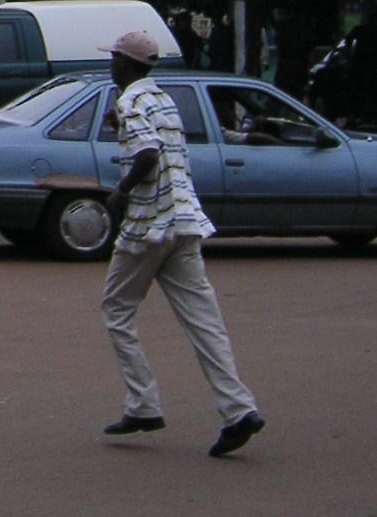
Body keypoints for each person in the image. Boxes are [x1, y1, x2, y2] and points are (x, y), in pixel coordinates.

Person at [98, 29, 265, 458]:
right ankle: (238, 409)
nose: (110, 65)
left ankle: (143, 404)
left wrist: (120, 193)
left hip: (148, 225)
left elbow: (148, 154)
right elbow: (160, 143)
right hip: (185, 220)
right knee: (205, 323)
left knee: (117, 309)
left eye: (114, 59)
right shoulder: (163, 99)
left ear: (130, 64)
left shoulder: (129, 100)